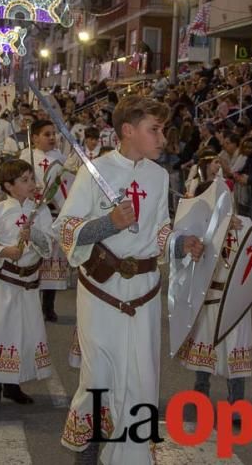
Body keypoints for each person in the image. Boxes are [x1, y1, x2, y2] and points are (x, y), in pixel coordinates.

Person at [52, 95, 203, 465]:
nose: (162, 137)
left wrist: (181, 243)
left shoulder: (158, 175)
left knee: (141, 378)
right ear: (128, 130)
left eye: (162, 129)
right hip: (102, 290)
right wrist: (109, 224)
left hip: (145, 291)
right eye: (155, 129)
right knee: (98, 376)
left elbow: (160, 229)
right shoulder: (94, 171)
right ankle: (87, 454)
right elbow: (67, 229)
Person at [0, 159, 54, 412]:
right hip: (4, 284)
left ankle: (14, 385)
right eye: (25, 180)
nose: (32, 184)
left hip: (28, 283)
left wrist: (36, 235)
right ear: (9, 186)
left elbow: (50, 246)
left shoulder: (41, 211)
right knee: (0, 333)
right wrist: (5, 250)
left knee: (24, 334)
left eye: (32, 179)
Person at [176, 208, 252, 425]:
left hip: (237, 298)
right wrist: (219, 231)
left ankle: (236, 404)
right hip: (210, 295)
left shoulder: (246, 223)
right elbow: (196, 256)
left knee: (235, 350)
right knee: (205, 345)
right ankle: (200, 394)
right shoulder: (205, 225)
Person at [29, 119, 69, 321]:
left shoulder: (61, 158)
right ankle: (32, 305)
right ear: (34, 137)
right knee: (35, 257)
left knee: (53, 259)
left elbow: (66, 185)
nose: (52, 137)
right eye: (46, 134)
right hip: (34, 214)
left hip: (54, 213)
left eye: (53, 133)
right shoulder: (26, 156)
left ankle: (48, 306)